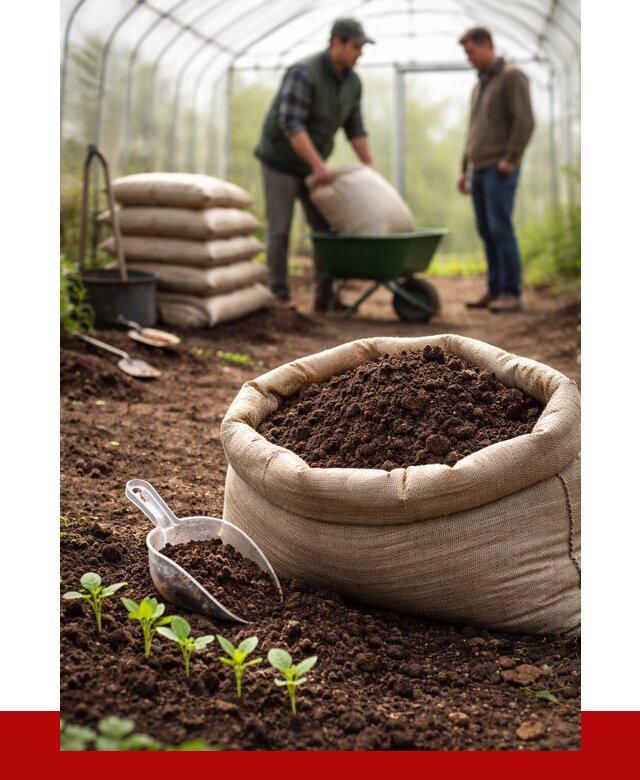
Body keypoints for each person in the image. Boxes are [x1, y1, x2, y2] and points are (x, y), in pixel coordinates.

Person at [255, 18, 376, 313]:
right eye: (356, 46)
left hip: (313, 164)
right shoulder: (304, 73)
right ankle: (279, 297)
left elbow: (355, 127)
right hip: (280, 160)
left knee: (324, 229)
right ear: (336, 43)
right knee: (280, 229)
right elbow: (291, 123)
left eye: (362, 47)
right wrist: (318, 165)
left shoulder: (352, 82)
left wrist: (370, 166)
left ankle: (325, 295)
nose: (360, 52)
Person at [456, 27, 534, 312]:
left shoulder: (512, 77)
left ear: (487, 45)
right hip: (479, 169)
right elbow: (473, 130)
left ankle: (511, 293)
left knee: (501, 229)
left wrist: (511, 158)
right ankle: (494, 289)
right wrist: (464, 168)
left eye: (471, 52)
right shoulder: (480, 85)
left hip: (499, 170)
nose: (469, 58)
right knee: (486, 231)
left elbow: (524, 120)